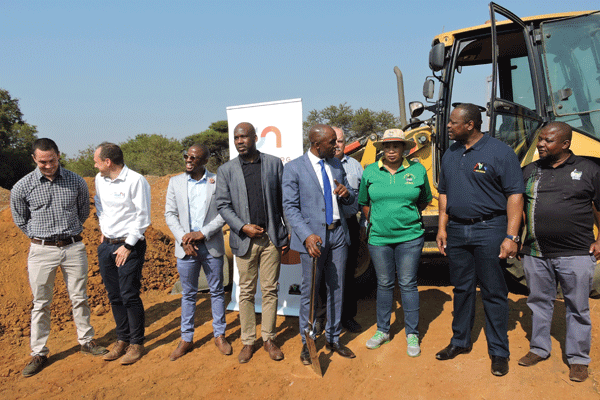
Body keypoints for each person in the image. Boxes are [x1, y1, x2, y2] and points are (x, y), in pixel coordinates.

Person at [435, 103, 524, 377]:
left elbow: (515, 195)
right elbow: (444, 193)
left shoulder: (500, 152)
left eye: (453, 122)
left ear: (470, 124)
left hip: (490, 229)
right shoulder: (450, 153)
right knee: (462, 289)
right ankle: (460, 341)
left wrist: (511, 236)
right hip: (457, 230)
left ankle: (499, 351)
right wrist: (442, 228)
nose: (448, 126)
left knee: (493, 292)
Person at [10, 138, 107, 377]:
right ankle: (39, 352)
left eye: (51, 160)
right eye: (42, 162)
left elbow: (83, 211)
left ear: (58, 155)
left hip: (73, 247)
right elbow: (20, 219)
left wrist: (68, 231)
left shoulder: (76, 181)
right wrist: (39, 236)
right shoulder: (22, 186)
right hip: (41, 251)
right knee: (41, 302)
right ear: (34, 159)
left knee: (79, 297)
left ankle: (87, 341)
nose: (48, 165)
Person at [517, 122, 600, 383]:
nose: (541, 144)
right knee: (539, 302)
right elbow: (519, 207)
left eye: (548, 140)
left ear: (565, 144)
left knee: (577, 307)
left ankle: (578, 359)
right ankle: (539, 348)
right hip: (536, 252)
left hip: (577, 253)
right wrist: (516, 238)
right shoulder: (530, 170)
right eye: (540, 139)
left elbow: (599, 207)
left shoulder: (589, 169)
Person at [282, 124, 356, 365]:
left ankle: (333, 338)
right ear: (316, 144)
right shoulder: (294, 168)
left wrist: (347, 194)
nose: (337, 146)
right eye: (332, 142)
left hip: (338, 235)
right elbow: (290, 207)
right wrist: (306, 235)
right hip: (313, 241)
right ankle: (308, 343)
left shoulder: (335, 164)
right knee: (310, 293)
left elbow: (350, 199)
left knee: (337, 288)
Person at [216, 122, 289, 364]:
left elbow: (284, 200)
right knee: (246, 292)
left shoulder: (273, 164)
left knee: (270, 290)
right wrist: (242, 227)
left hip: (270, 239)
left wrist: (287, 232)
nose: (239, 141)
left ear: (255, 138)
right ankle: (248, 341)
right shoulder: (226, 170)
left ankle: (269, 338)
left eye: (244, 137)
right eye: (236, 137)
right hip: (244, 240)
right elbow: (223, 205)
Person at [359, 129, 432, 356]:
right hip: (379, 238)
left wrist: (405, 216)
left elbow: (424, 200)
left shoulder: (417, 170)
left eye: (396, 146)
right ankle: (383, 330)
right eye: (387, 146)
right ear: (382, 149)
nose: (391, 151)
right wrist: (378, 221)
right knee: (384, 283)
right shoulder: (370, 171)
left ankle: (412, 333)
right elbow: (364, 202)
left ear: (404, 148)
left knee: (408, 283)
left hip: (410, 237)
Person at [165, 144, 231, 361]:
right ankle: (186, 338)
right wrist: (184, 238)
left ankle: (219, 335)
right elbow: (170, 214)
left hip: (211, 245)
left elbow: (224, 212)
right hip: (186, 248)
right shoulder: (175, 182)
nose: (188, 160)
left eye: (194, 157)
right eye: (187, 156)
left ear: (205, 161)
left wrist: (202, 233)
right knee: (188, 294)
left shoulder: (217, 181)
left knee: (217, 291)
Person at [93, 142, 151, 365]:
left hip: (129, 245)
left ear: (108, 162)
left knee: (129, 294)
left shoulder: (136, 180)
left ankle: (136, 343)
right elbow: (99, 205)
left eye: (97, 161)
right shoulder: (100, 179)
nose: (95, 165)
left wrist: (127, 245)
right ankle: (122, 339)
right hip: (107, 245)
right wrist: (104, 229)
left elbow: (143, 216)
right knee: (114, 295)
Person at [314, 127, 364, 334]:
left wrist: (363, 226)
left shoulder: (355, 166)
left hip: (348, 224)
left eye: (340, 141)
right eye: (333, 141)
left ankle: (347, 316)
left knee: (347, 273)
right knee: (321, 276)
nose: (336, 145)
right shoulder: (316, 165)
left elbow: (363, 198)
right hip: (322, 227)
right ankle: (321, 318)